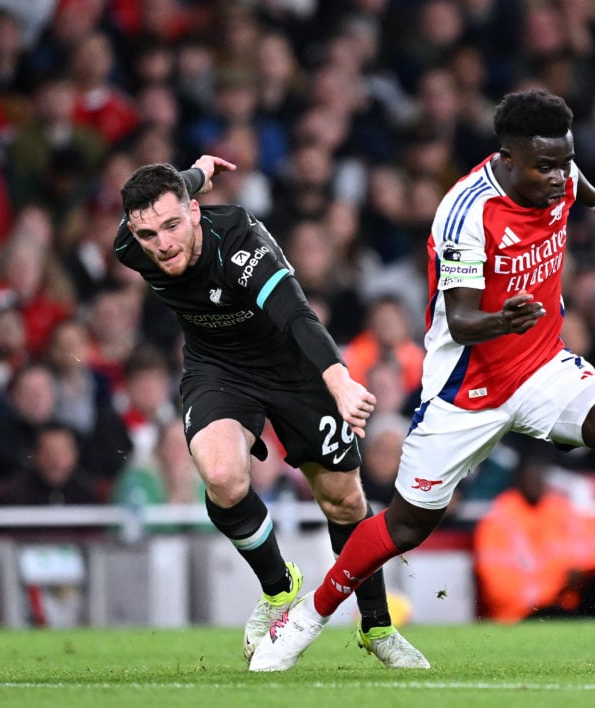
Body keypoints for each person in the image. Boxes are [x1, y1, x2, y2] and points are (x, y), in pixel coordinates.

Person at [249, 88, 595, 672]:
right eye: (545, 166)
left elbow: (577, 179)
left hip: (540, 366)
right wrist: (503, 319)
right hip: (467, 388)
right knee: (407, 525)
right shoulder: (468, 211)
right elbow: (460, 321)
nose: (558, 177)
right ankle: (307, 617)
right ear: (507, 159)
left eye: (565, 161)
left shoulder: (557, 174)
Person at [114, 155, 429, 669]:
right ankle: (280, 588)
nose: (163, 244)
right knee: (221, 476)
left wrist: (339, 380)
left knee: (344, 502)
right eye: (149, 234)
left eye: (173, 225)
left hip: (297, 367)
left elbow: (296, 315)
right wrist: (192, 173)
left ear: (195, 213)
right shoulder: (133, 247)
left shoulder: (239, 241)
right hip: (217, 368)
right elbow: (168, 200)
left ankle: (377, 628)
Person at [474, 443, 595, 624]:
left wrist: (581, 572)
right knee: (558, 615)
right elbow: (500, 589)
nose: (536, 481)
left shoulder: (561, 509)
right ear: (518, 479)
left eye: (540, 475)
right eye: (530, 475)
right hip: (526, 613)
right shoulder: (497, 520)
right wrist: (560, 582)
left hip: (567, 601)